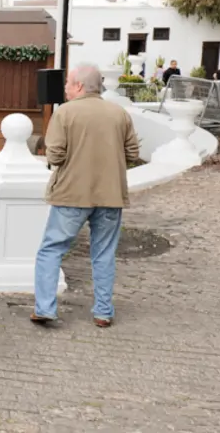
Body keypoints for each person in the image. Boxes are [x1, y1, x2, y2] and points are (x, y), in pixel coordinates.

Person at [33, 64, 140, 328]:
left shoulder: (65, 113)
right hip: (111, 194)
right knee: (104, 253)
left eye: (68, 83)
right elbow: (133, 154)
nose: (66, 88)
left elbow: (55, 154)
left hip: (72, 194)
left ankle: (45, 308)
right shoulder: (119, 113)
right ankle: (103, 312)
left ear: (79, 86)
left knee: (51, 250)